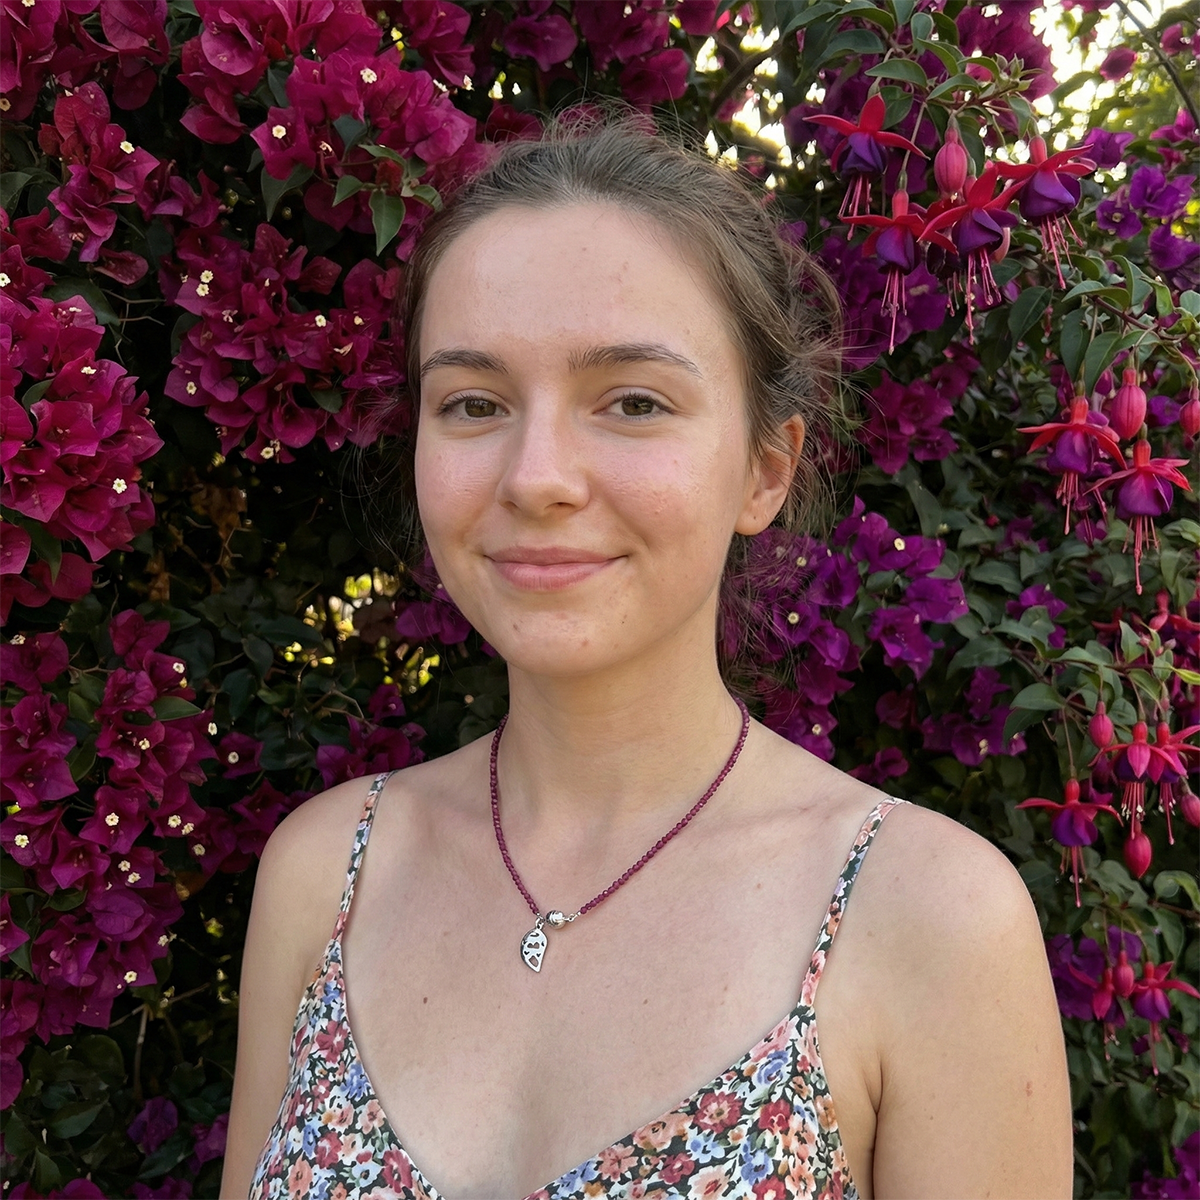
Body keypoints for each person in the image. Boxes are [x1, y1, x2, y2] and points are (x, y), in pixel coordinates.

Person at [219, 115, 1073, 1200]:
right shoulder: (325, 877)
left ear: (766, 468)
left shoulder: (927, 920)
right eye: (473, 402)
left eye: (632, 401)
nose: (537, 477)